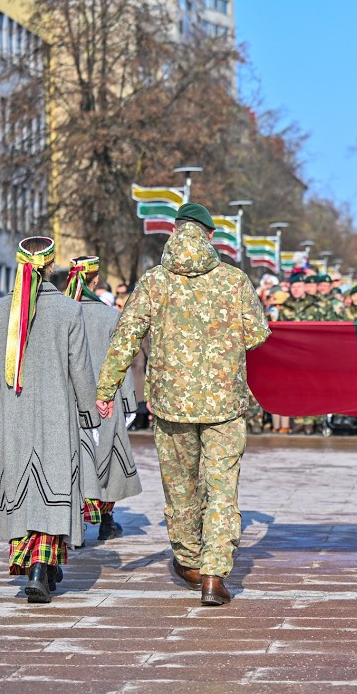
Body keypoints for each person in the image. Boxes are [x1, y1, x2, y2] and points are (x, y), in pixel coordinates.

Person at [94, 202, 272, 606]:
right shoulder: (234, 280)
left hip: (171, 403)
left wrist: (106, 390)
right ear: (210, 236)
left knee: (180, 488)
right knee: (223, 488)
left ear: (175, 233)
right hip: (224, 402)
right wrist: (224, 345)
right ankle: (213, 574)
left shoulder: (154, 282)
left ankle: (189, 560)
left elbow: (126, 338)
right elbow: (258, 333)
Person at [0, 236, 102, 604]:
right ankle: (41, 567)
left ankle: (37, 567)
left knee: (23, 486)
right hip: (56, 412)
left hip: (16, 414)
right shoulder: (68, 310)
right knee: (54, 485)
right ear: (52, 266)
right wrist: (90, 413)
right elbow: (80, 367)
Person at [65, 255, 143, 540]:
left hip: (71, 400)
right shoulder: (110, 315)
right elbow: (120, 360)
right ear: (95, 280)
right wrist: (129, 402)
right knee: (107, 460)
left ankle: (74, 525)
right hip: (106, 399)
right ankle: (106, 521)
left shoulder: (62, 312)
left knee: (75, 461)